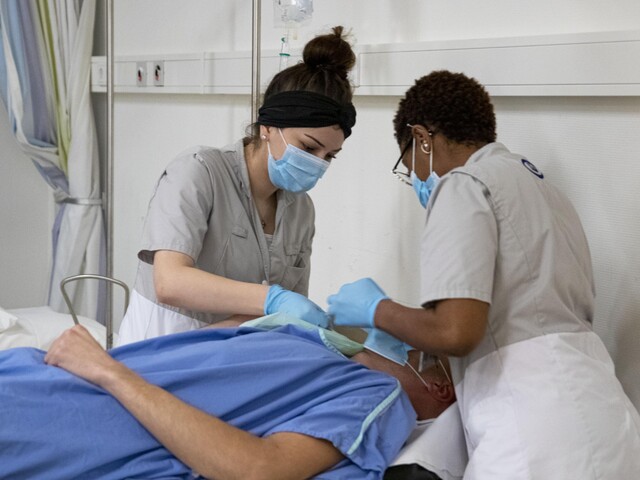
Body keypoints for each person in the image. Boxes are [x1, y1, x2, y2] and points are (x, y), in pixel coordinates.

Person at [326, 70, 640, 478]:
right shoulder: (539, 185)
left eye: (411, 168)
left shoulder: (463, 184)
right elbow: (519, 309)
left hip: (536, 426)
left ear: (421, 137)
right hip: (606, 412)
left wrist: (377, 311)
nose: (418, 182)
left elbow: (457, 333)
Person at [117, 26, 357, 345]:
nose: (318, 163)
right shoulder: (199, 171)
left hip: (232, 357)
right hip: (161, 350)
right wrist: (271, 299)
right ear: (268, 127)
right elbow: (169, 282)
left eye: (330, 156)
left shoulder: (301, 210)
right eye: (309, 148)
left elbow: (286, 318)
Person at [0, 315, 455, 480]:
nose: (382, 339)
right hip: (41, 371)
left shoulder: (377, 395)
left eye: (409, 345)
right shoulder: (314, 340)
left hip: (66, 416)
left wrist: (107, 370)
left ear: (439, 387)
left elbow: (261, 468)